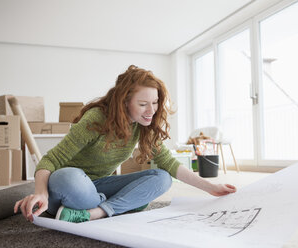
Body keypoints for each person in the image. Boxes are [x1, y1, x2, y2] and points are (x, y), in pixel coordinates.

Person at [14, 65, 237, 223]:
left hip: (97, 186)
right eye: (143, 104)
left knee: (161, 178)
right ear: (125, 101)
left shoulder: (143, 125)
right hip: (67, 187)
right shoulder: (96, 119)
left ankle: (96, 213)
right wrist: (41, 193)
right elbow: (50, 160)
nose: (152, 111)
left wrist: (211, 188)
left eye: (155, 102)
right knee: (70, 178)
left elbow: (168, 163)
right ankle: (119, 204)